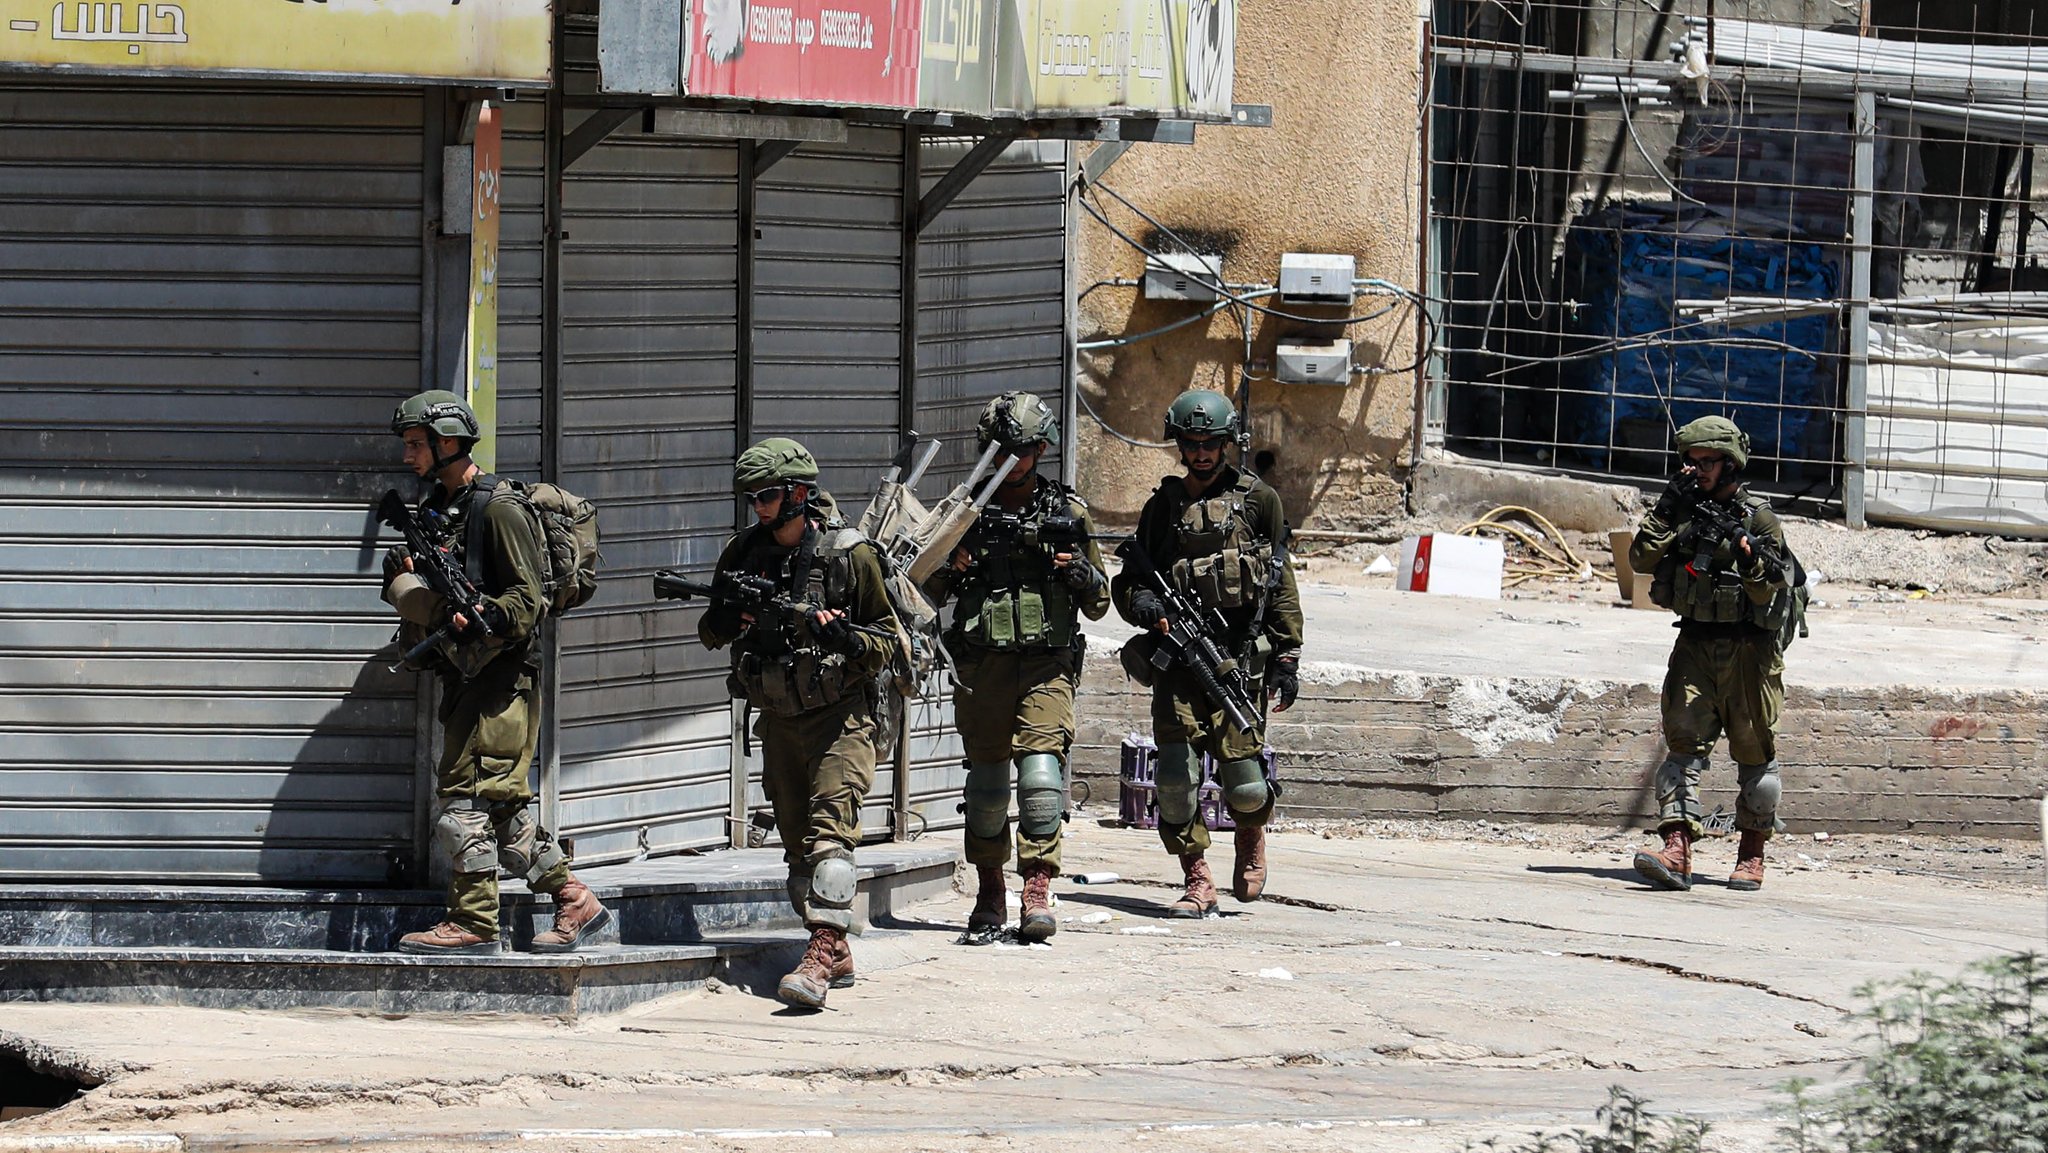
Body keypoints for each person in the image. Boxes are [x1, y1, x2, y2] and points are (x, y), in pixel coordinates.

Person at [380, 390, 609, 955]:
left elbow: (526, 603)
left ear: (449, 442)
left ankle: (474, 921)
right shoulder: (440, 509)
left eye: (416, 445)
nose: (409, 456)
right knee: (502, 805)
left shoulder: (499, 508)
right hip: (464, 674)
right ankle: (574, 896)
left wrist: (479, 612)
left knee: (463, 801)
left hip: (501, 680)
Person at [698, 437, 900, 1008]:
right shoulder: (743, 554)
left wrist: (843, 635)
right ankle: (834, 945)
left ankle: (816, 960)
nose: (759, 508)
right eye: (752, 499)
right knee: (796, 854)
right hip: (780, 720)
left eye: (767, 496)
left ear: (798, 493)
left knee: (830, 840)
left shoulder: (849, 554)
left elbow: (888, 642)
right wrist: (727, 617)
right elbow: (710, 633)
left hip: (842, 719)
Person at [922, 393, 1110, 944]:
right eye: (1000, 450)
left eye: (1022, 450)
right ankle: (987, 888)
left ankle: (1036, 887)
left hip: (1045, 664)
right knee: (985, 789)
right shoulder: (964, 514)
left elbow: (1100, 602)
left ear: (1041, 449)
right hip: (983, 665)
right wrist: (952, 566)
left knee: (1041, 779)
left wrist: (1076, 571)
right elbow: (919, 590)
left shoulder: (1067, 513)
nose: (1011, 460)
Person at [1110, 389, 1303, 917]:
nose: (1201, 453)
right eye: (1192, 443)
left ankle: (1251, 834)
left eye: (1211, 443)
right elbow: (1128, 582)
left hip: (1237, 661)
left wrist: (1288, 657)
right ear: (1180, 443)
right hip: (1178, 663)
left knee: (1244, 784)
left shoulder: (1259, 501)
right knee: (1174, 779)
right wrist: (1143, 601)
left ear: (1227, 443)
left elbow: (1280, 582)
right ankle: (1196, 877)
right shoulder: (1163, 507)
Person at [1629, 415, 1793, 893]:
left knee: (1755, 755)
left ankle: (1751, 852)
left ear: (1730, 463)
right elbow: (1639, 561)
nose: (1697, 470)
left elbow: (1773, 591)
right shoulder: (1681, 507)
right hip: (1696, 641)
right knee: (1682, 746)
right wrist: (1666, 507)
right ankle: (1677, 848)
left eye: (1707, 462)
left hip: (1749, 650)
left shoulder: (1758, 518)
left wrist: (1749, 562)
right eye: (1691, 462)